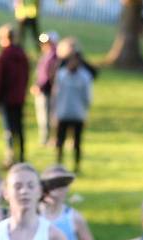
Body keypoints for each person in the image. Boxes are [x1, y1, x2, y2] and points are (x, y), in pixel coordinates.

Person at [51, 42, 93, 172]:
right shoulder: (61, 75)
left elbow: (87, 97)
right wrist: (54, 112)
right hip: (63, 113)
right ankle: (59, 163)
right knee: (60, 141)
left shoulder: (85, 77)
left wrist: (85, 112)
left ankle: (76, 165)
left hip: (77, 114)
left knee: (77, 142)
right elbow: (55, 95)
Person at [0, 24, 30, 168]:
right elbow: (26, 76)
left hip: (7, 98)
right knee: (19, 128)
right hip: (19, 97)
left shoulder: (4, 56)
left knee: (9, 129)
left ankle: (10, 157)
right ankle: (21, 156)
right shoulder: (22, 55)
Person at [31, 31, 59, 147]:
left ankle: (47, 139)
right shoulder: (46, 55)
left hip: (47, 90)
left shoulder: (53, 56)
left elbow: (49, 76)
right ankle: (46, 138)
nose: (44, 45)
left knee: (47, 116)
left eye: (47, 42)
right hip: (43, 89)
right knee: (44, 116)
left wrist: (40, 86)